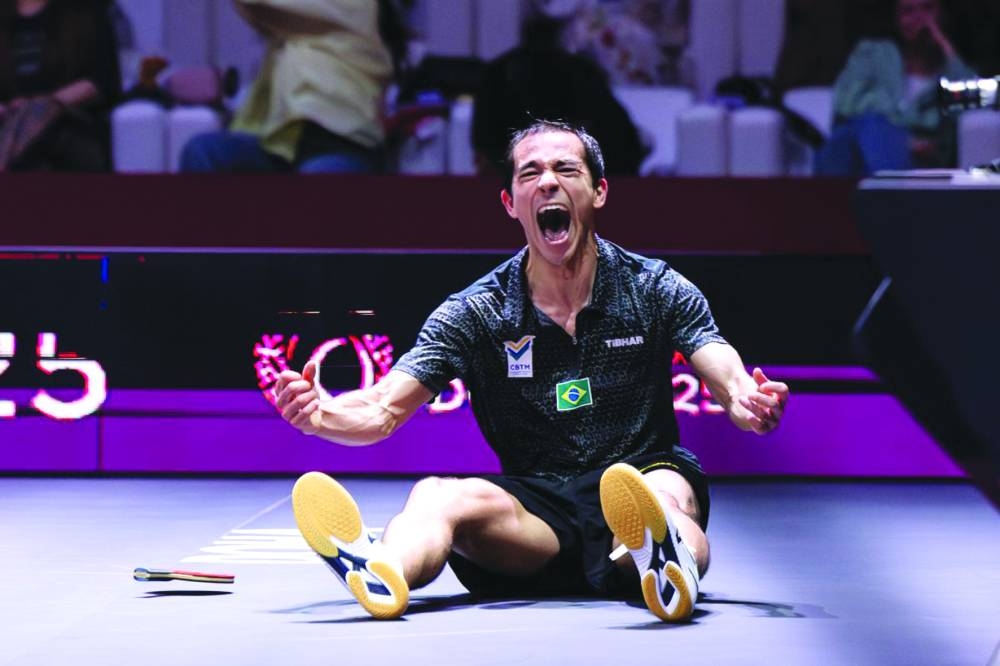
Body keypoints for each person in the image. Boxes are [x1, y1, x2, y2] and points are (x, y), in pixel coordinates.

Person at [275, 120, 789, 622]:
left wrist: (746, 399)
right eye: (529, 174)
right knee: (437, 494)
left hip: (638, 481)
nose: (548, 182)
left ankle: (664, 560)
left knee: (662, 495)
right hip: (536, 518)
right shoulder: (477, 311)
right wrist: (320, 416)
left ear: (599, 191)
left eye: (566, 169)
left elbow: (719, 362)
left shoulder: (654, 288)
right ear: (510, 204)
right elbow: (384, 407)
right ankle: (384, 568)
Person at [180, 0, 404, 174]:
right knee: (203, 151)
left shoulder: (357, 6)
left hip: (341, 145)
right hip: (281, 146)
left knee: (308, 193)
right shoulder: (293, 31)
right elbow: (256, 12)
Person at [471, 15, 645, 179]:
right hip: (564, 178)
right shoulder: (582, 72)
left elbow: (482, 138)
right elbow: (620, 137)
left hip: (514, 178)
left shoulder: (497, 72)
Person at [815, 0, 977, 175]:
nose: (919, 18)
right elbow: (844, 102)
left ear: (942, 14)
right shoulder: (874, 54)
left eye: (927, 8)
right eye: (908, 11)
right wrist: (902, 135)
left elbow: (974, 102)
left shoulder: (952, 73)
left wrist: (944, 45)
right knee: (856, 134)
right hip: (861, 149)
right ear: (897, 20)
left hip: (918, 164)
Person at [0, 0, 121, 171]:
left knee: (43, 134)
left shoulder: (86, 12)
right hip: (5, 122)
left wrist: (40, 107)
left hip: (69, 124)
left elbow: (102, 82)